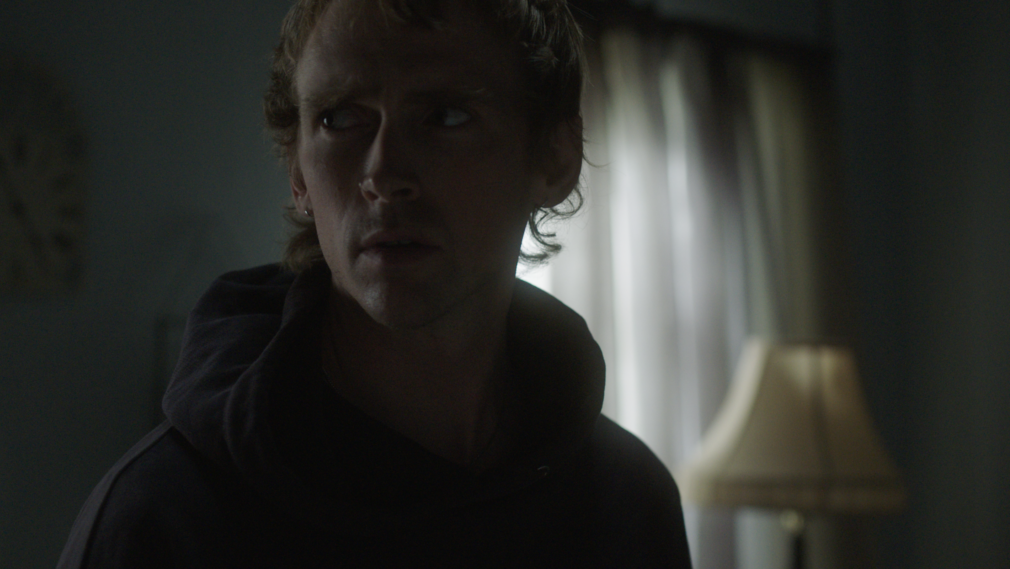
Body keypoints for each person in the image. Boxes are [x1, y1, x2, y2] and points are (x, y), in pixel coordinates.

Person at [58, 0, 692, 566]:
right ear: (298, 173)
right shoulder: (164, 518)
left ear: (554, 156)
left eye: (445, 116)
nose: (384, 173)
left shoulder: (626, 504)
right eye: (339, 119)